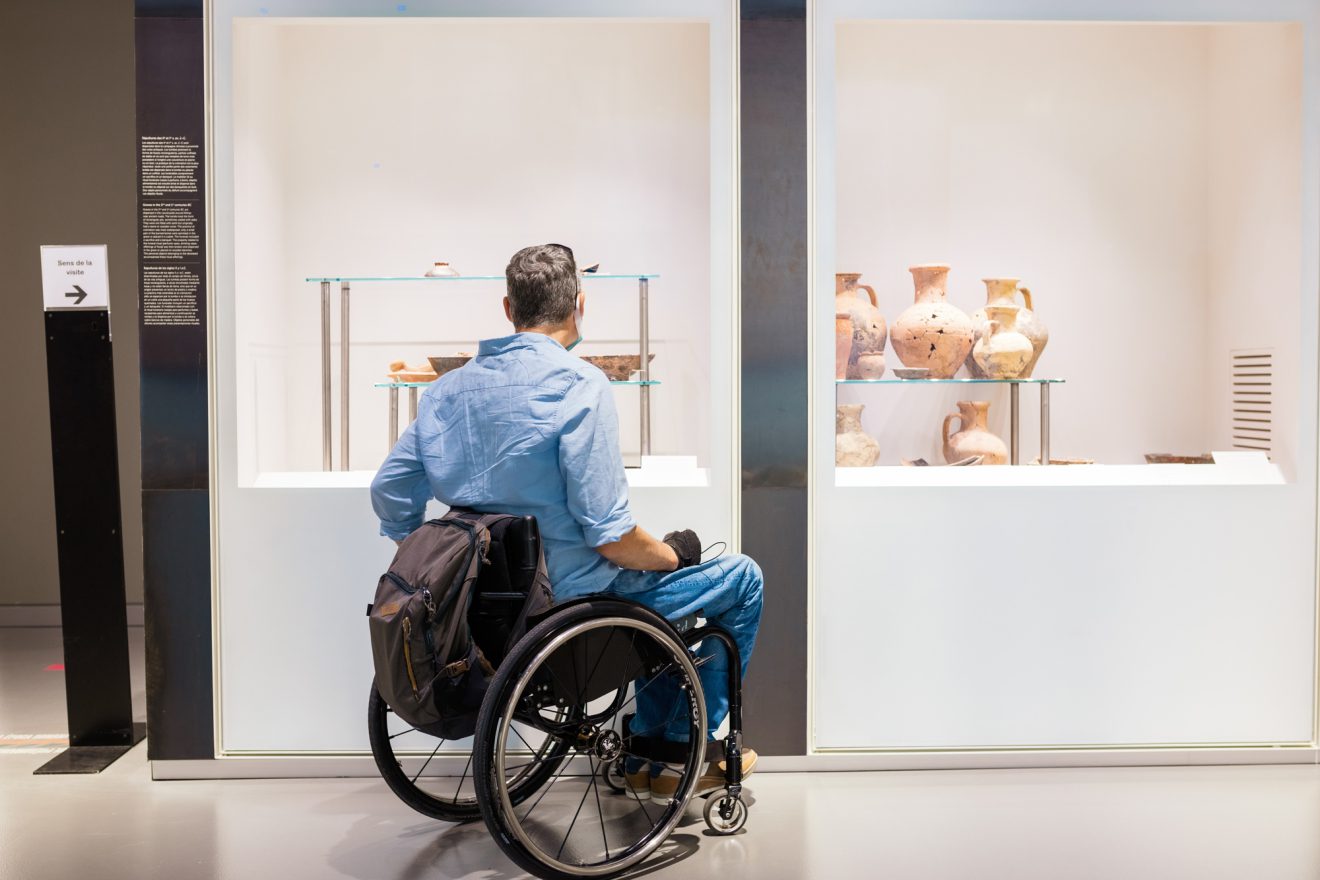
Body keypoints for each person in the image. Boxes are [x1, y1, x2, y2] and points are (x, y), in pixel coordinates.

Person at [370, 242, 762, 805]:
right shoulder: (579, 386)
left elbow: (389, 489)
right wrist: (674, 555)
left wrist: (424, 544)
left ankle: (656, 750)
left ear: (508, 308)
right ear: (581, 304)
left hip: (476, 605)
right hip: (570, 603)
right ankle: (673, 751)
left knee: (663, 585)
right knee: (740, 577)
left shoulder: (445, 391)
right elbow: (612, 537)